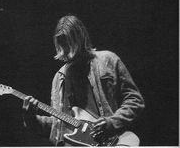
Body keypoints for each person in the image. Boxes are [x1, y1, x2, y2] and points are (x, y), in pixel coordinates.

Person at [22, 15, 145, 146]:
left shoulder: (108, 60)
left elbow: (135, 100)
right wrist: (30, 118)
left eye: (70, 44)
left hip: (114, 140)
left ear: (81, 38)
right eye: (63, 45)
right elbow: (57, 126)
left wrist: (111, 122)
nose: (67, 51)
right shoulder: (59, 78)